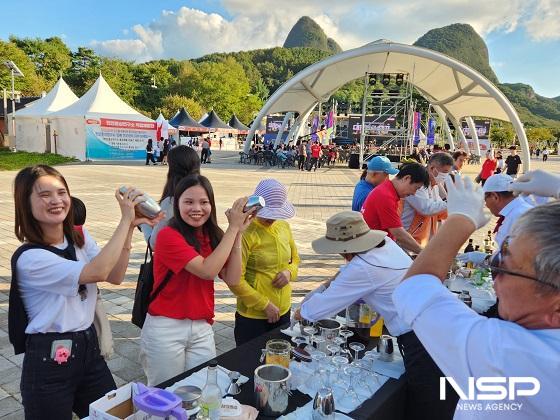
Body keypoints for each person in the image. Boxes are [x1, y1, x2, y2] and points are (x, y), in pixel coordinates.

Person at [392, 174, 560, 419]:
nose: (495, 275)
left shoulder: (511, 354)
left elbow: (414, 287)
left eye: (502, 267)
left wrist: (460, 221)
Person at [12, 165, 162, 418]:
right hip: (49, 360)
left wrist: (128, 230)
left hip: (89, 350)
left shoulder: (80, 238)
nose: (56, 200)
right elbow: (97, 273)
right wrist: (125, 219)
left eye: (61, 192)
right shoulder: (30, 258)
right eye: (44, 194)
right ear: (25, 203)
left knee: (110, 414)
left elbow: (115, 275)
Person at [295, 211, 458, 419]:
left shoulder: (363, 268)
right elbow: (342, 276)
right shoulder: (386, 246)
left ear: (345, 249)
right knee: (442, 397)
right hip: (441, 324)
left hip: (423, 338)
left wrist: (300, 313)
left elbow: (315, 310)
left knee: (428, 404)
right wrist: (329, 283)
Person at [140, 175, 254, 386]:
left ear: (211, 204)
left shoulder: (213, 235)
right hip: (166, 327)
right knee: (165, 392)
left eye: (204, 202)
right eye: (188, 202)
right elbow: (207, 271)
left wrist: (237, 233)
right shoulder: (168, 236)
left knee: (202, 388)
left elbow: (233, 277)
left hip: (202, 328)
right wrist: (232, 228)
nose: (197, 208)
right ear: (177, 204)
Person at [229, 179, 300, 345]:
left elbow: (295, 259)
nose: (272, 219)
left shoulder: (283, 226)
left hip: (283, 308)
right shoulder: (245, 232)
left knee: (280, 360)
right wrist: (264, 304)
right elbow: (235, 280)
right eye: (269, 214)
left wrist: (289, 272)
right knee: (250, 364)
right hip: (253, 315)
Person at [361, 163, 429, 254]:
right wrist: (424, 253)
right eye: (416, 188)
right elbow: (398, 233)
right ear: (406, 178)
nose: (414, 193)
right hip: (373, 252)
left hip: (376, 247)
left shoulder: (388, 191)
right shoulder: (385, 196)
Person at [142, 145, 201, 249]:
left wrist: (144, 222)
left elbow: (155, 244)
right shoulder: (203, 195)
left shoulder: (172, 201)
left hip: (177, 261)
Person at [401, 153, 451, 247]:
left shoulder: (434, 186)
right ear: (432, 168)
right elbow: (426, 208)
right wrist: (451, 202)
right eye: (444, 172)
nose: (446, 175)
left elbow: (439, 208)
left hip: (423, 242)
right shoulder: (417, 184)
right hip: (409, 240)